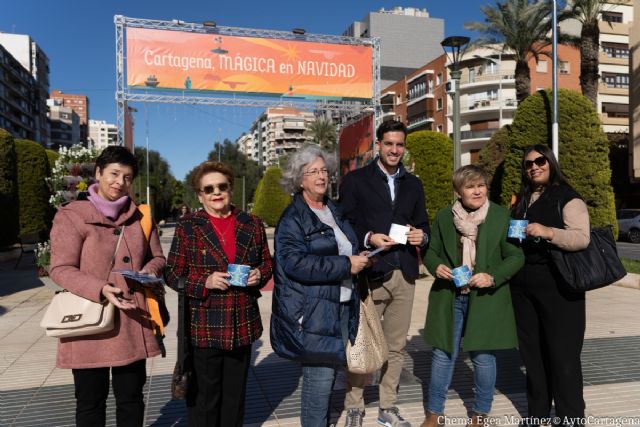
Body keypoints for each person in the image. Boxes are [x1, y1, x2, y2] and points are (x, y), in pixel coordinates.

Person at [49, 146, 166, 427]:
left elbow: (159, 258)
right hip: (89, 320)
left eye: (127, 177)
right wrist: (100, 288)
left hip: (131, 318)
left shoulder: (140, 217)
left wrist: (147, 272)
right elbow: (60, 268)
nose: (119, 182)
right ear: (98, 173)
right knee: (90, 401)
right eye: (114, 174)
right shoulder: (72, 214)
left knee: (131, 399)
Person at [165, 161, 273, 427]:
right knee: (205, 399)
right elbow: (171, 274)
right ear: (200, 195)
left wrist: (260, 274)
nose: (216, 192)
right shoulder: (188, 226)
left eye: (222, 186)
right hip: (204, 325)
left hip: (242, 323)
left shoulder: (252, 224)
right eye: (209, 188)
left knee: (235, 398)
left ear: (231, 189)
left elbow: (268, 264)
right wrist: (205, 281)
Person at [270, 146, 370, 427]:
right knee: (320, 382)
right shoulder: (293, 219)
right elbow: (294, 263)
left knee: (328, 381)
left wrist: (360, 258)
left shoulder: (333, 210)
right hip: (313, 311)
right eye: (313, 171)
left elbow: (344, 247)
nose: (321, 176)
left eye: (324, 170)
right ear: (299, 180)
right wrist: (344, 265)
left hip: (341, 304)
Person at [340, 120, 430, 427]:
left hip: (404, 273)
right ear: (378, 145)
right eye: (389, 144)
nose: (394, 150)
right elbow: (345, 223)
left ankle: (387, 406)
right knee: (361, 341)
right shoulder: (355, 181)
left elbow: (424, 224)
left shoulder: (414, 184)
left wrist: (422, 237)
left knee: (396, 346)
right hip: (370, 272)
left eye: (400, 145)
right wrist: (369, 237)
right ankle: (354, 405)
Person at [420, 165, 524, 427]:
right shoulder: (445, 217)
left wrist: (492, 276)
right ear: (458, 191)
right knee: (443, 353)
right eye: (470, 186)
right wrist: (436, 266)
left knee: (483, 357)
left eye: (481, 185)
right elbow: (431, 252)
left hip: (486, 298)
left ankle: (480, 414)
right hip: (450, 295)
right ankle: (434, 412)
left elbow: (516, 256)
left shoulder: (501, 216)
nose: (477, 191)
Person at [510, 145, 590, 426]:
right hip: (523, 287)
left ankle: (572, 419)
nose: (534, 166)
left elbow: (582, 237)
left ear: (550, 162)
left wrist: (548, 232)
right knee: (533, 357)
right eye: (528, 163)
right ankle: (538, 417)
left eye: (540, 161)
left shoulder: (568, 197)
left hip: (560, 287)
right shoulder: (522, 199)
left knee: (563, 359)